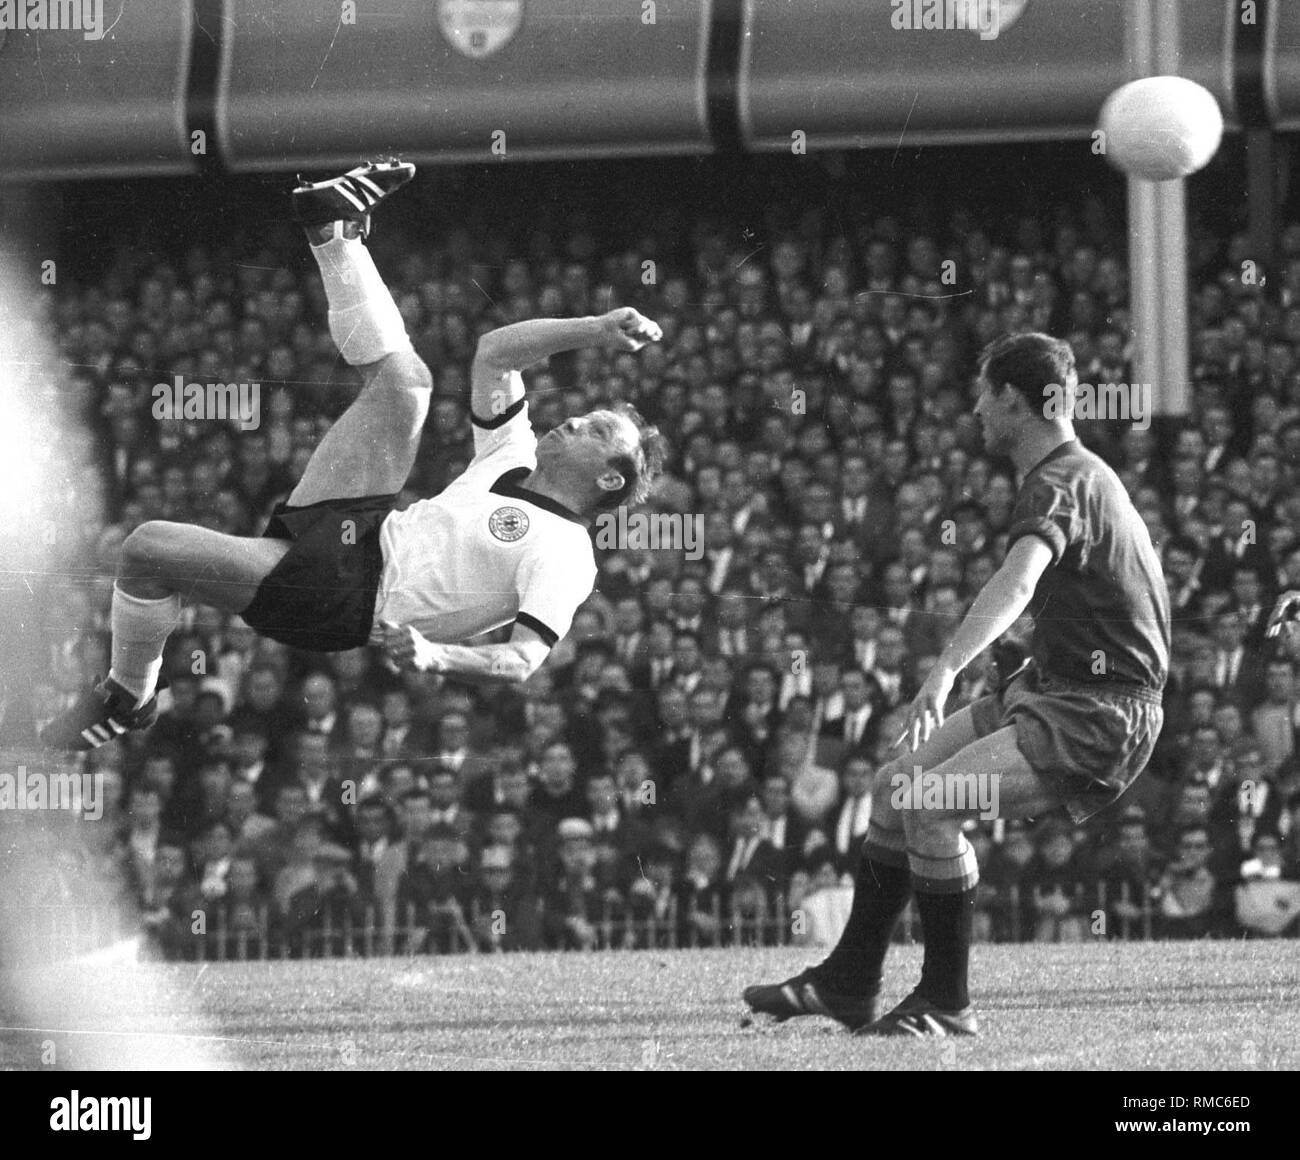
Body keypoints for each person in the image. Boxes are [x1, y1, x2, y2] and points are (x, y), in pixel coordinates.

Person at [44, 159, 666, 751]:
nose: (577, 420)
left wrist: (436, 656)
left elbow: (522, 658)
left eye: (596, 431)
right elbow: (495, 352)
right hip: (362, 530)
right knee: (408, 386)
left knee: (148, 549)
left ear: (610, 476)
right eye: (588, 417)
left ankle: (129, 698)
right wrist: (595, 327)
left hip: (348, 597)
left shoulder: (566, 553)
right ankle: (331, 230)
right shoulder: (514, 456)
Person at [744, 332, 1170, 1035]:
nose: (974, 408)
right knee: (893, 787)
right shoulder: (1081, 475)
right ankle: (849, 983)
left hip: (1096, 711)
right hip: (1053, 686)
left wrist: (945, 671)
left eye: (983, 394)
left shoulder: (1063, 480)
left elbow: (1020, 579)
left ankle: (948, 1001)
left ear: (1011, 399)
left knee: (932, 805)